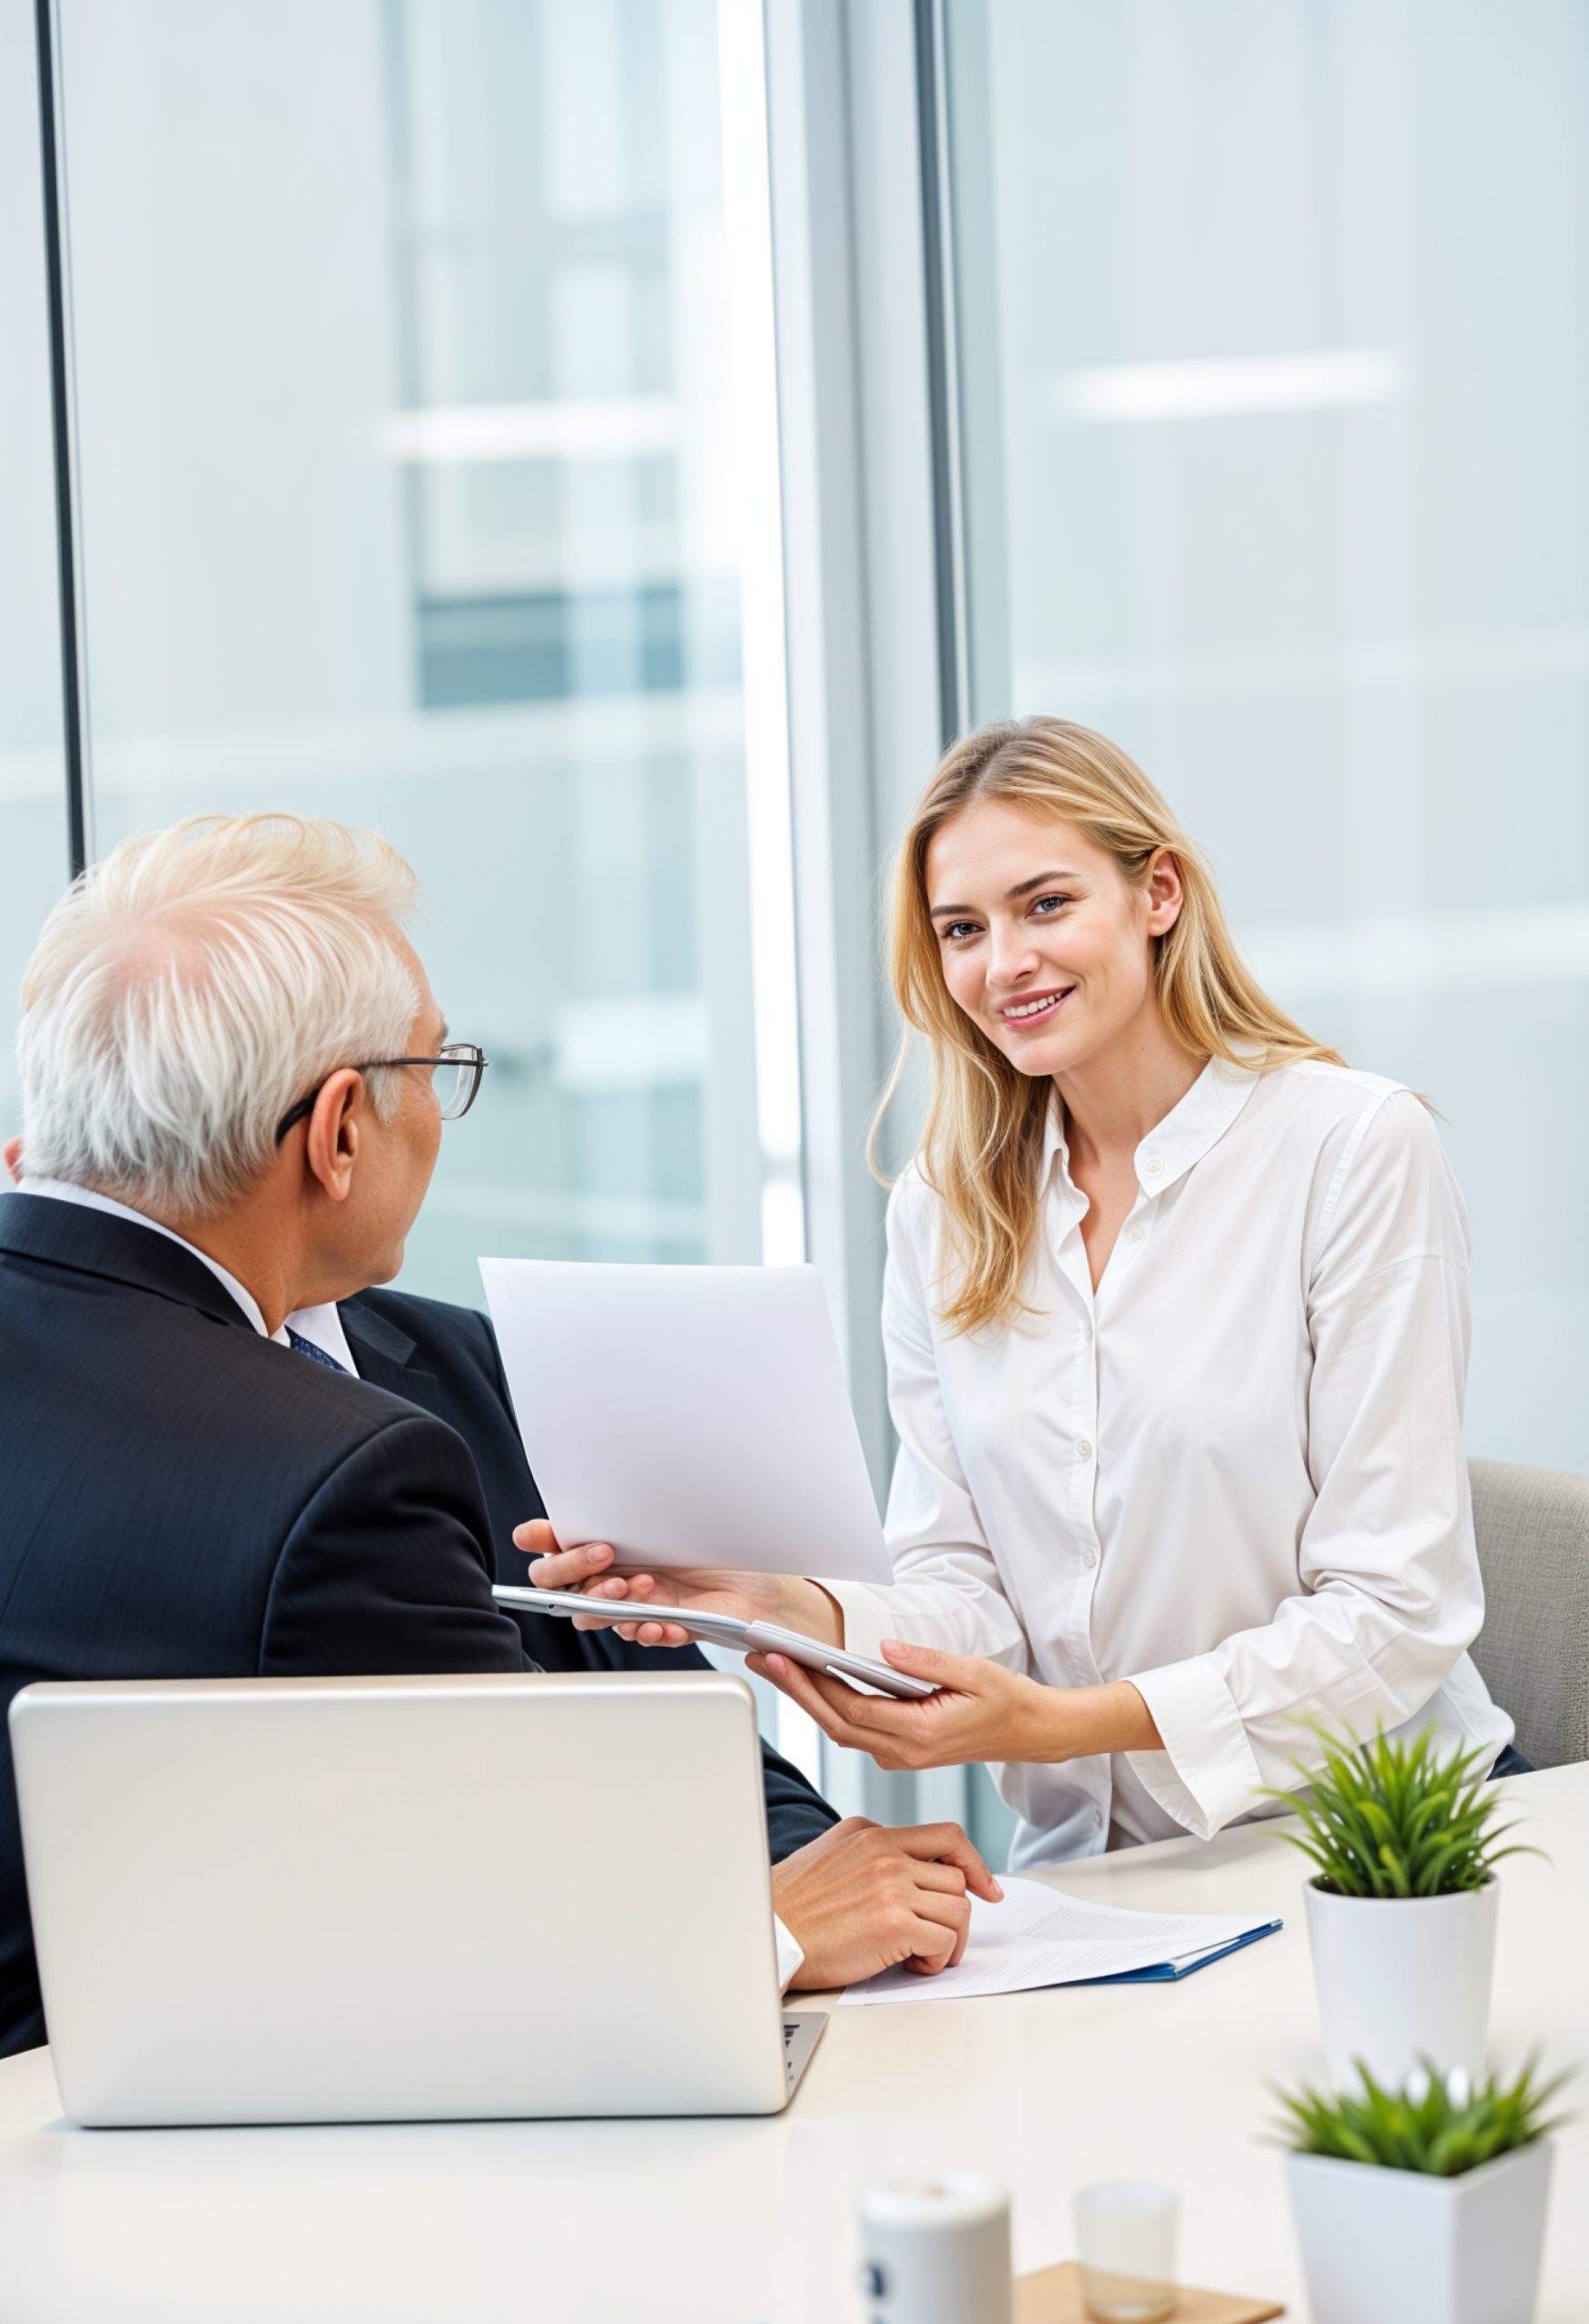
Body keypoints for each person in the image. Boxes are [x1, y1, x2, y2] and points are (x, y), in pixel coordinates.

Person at [0, 812, 998, 2057]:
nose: (442, 1109)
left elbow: (647, 1723)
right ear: (340, 1131)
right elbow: (511, 1944)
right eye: (437, 1068)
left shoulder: (443, 1369)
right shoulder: (336, 1471)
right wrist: (775, 1929)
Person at [532, 717, 1520, 1870]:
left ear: (1157, 894)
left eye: (1044, 905)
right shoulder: (944, 1210)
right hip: (1100, 1872)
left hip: (1378, 1851)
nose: (1002, 963)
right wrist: (776, 1601)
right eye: (963, 928)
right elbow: (965, 1583)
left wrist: (1060, 1723)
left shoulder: (1350, 1149)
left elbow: (1395, 1610)